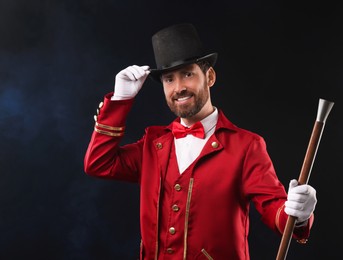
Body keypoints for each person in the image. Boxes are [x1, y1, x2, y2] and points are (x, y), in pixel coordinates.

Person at [84, 23, 317, 260]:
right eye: (169, 79)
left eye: (187, 74)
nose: (179, 88)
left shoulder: (247, 146)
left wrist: (299, 213)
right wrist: (120, 100)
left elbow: (276, 212)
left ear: (210, 76)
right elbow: (99, 163)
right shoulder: (153, 144)